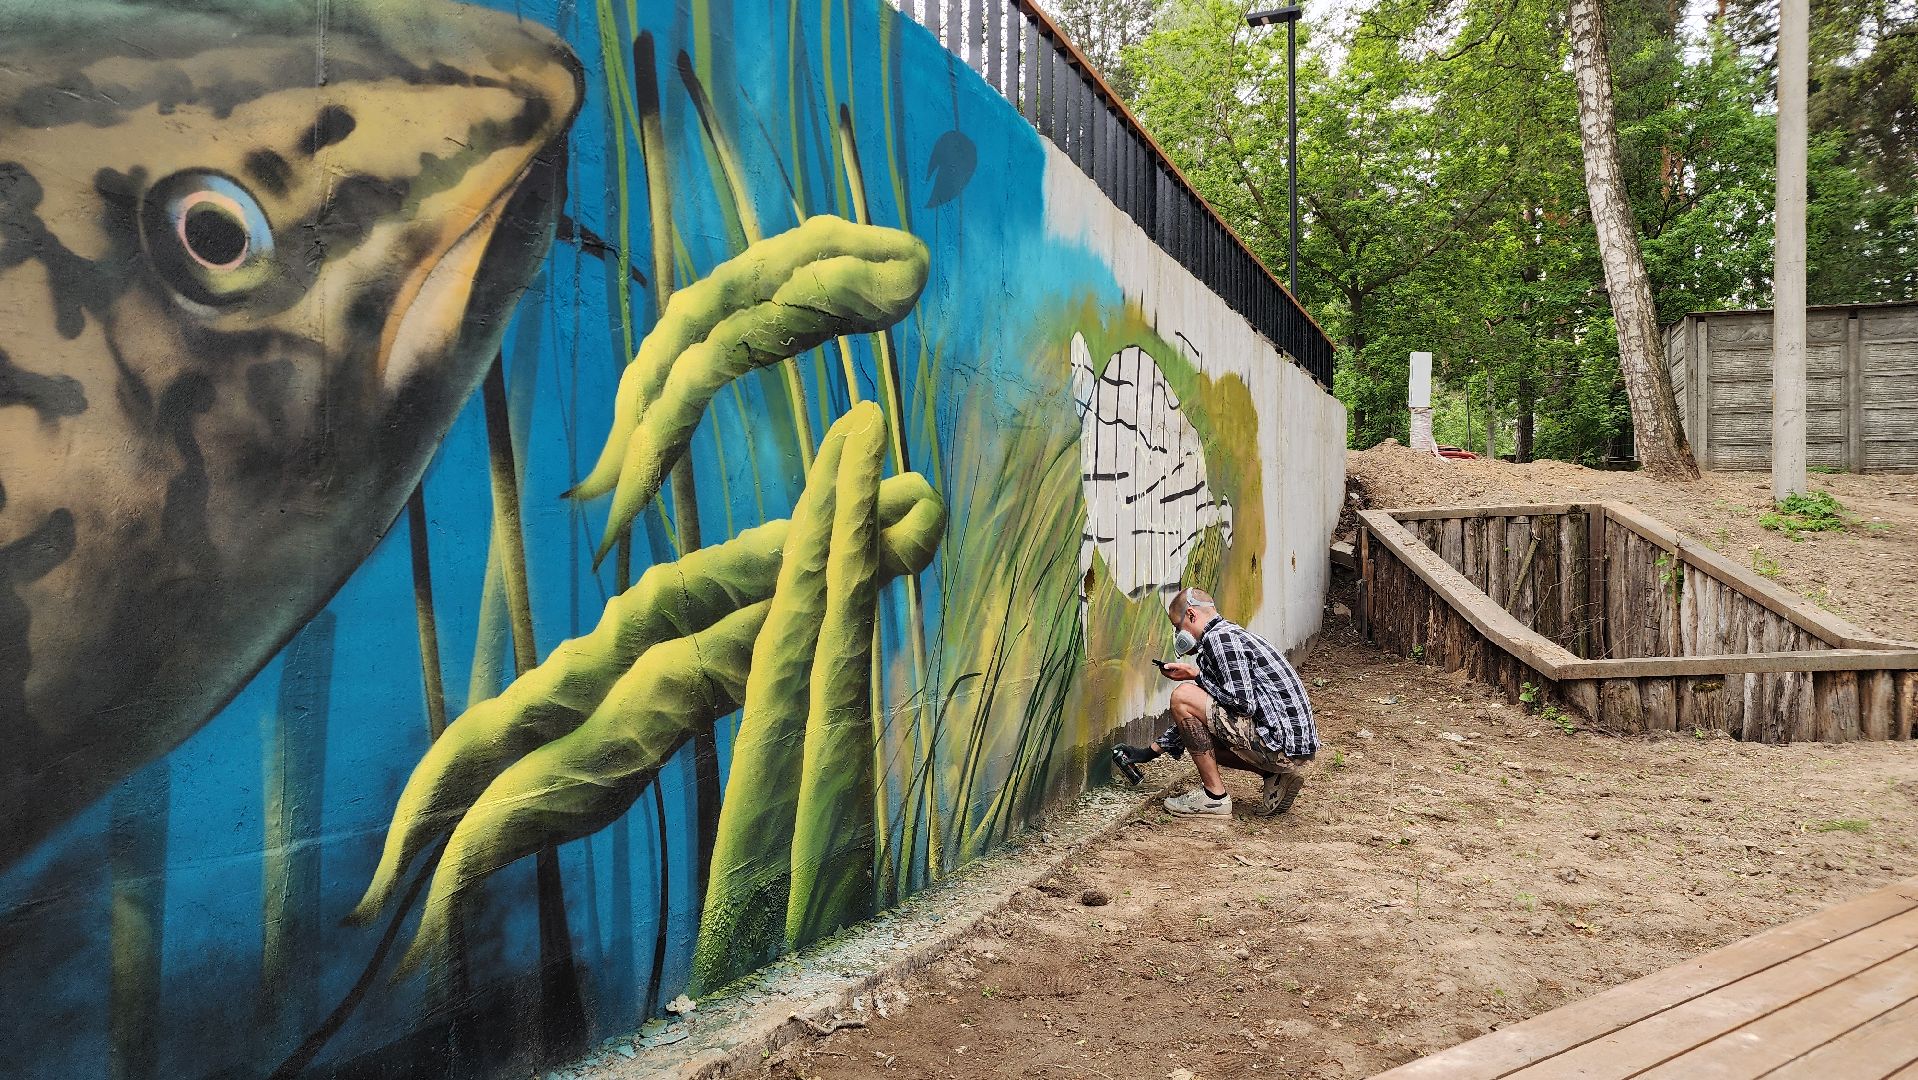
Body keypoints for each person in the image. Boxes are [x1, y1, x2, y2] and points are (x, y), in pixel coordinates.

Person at [1114, 587, 1318, 817]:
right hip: (1287, 747)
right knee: (1199, 733)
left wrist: (1196, 677)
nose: (1177, 633)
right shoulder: (1228, 634)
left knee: (1182, 695)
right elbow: (1201, 719)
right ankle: (1276, 778)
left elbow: (1243, 704)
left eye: (1176, 627)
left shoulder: (1220, 639)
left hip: (1280, 745)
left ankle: (1214, 798)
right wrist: (1149, 752)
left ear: (1191, 615)